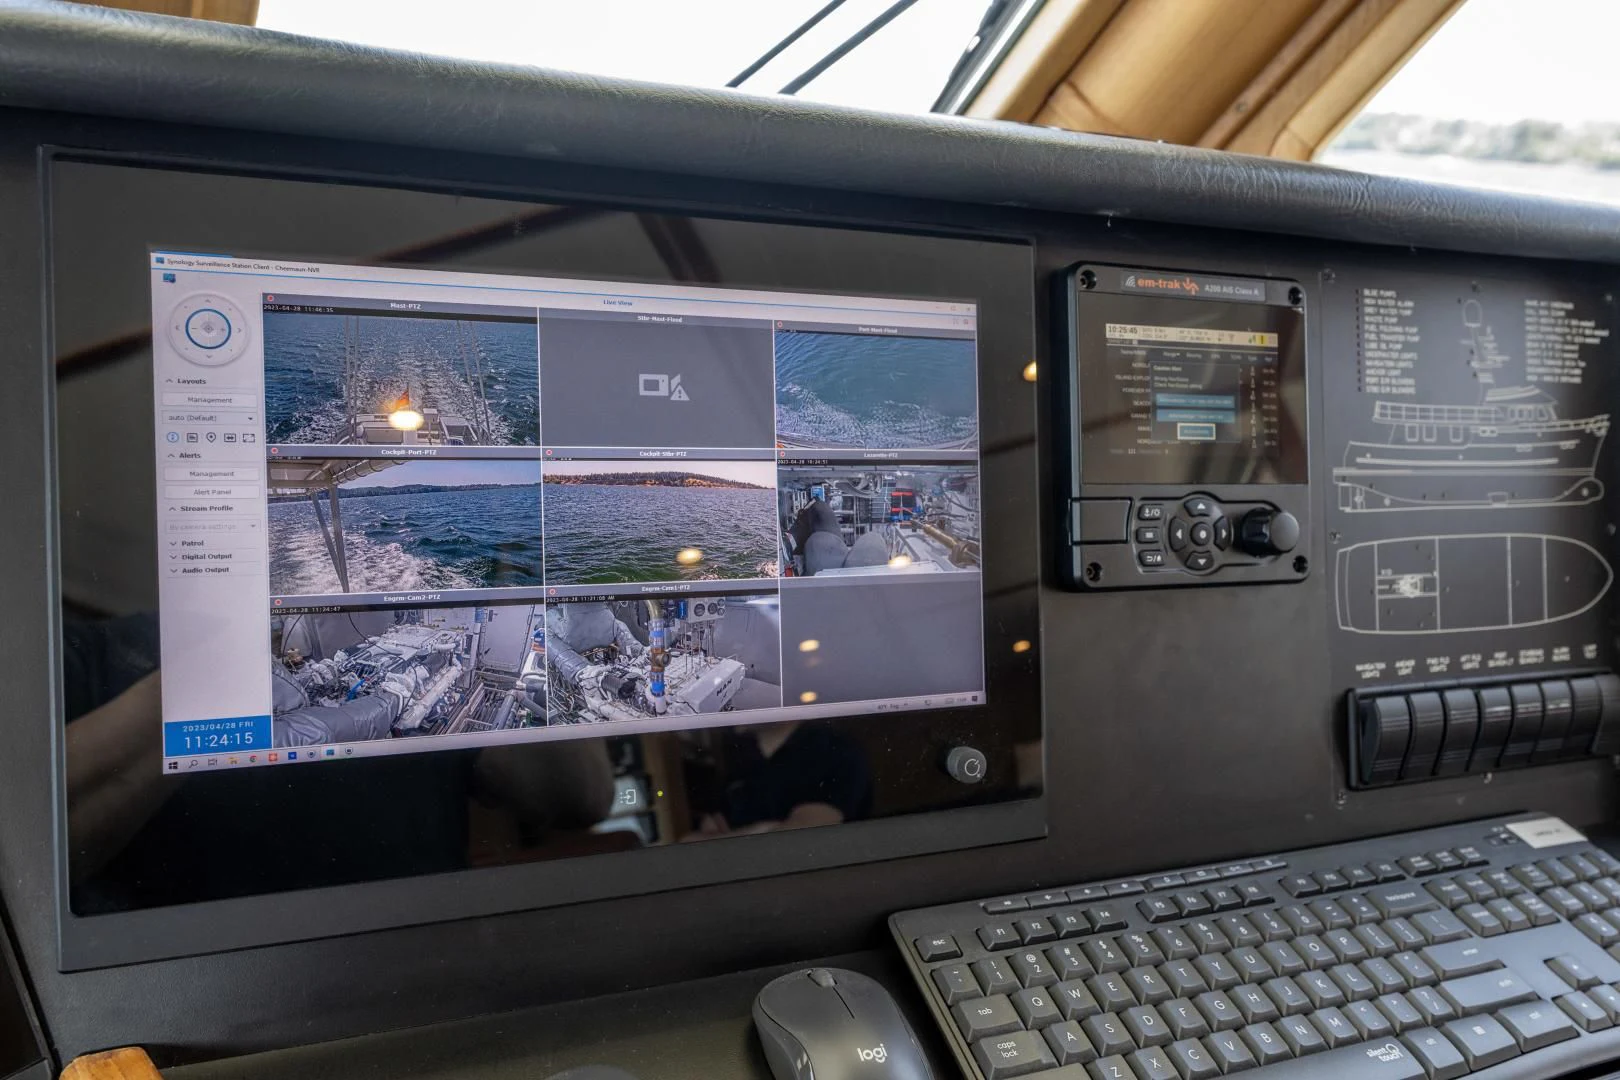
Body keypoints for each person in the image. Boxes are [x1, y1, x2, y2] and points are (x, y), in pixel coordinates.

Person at [546, 602, 646, 689]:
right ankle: (638, 651)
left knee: (545, 633)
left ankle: (583, 671)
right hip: (606, 624)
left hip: (572, 635)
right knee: (616, 623)